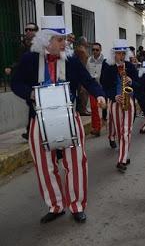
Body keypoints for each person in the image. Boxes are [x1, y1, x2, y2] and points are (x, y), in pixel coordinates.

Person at [11, 16, 106, 224]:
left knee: (77, 162)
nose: (65, 43)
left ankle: (77, 205)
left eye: (65, 39)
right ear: (47, 40)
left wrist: (98, 94)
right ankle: (55, 206)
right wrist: (31, 94)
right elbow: (15, 83)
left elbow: (87, 80)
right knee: (44, 165)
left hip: (69, 116)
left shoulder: (71, 59)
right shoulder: (29, 59)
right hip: (39, 118)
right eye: (60, 39)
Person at [100, 39, 139, 172]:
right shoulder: (108, 66)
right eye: (119, 53)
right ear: (114, 54)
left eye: (123, 53)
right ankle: (125, 154)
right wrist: (113, 96)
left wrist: (132, 81)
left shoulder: (130, 66)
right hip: (115, 102)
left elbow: (140, 85)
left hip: (129, 101)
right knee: (120, 132)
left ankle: (122, 159)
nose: (121, 56)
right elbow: (104, 85)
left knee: (126, 131)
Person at [6, 22, 39, 140]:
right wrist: (12, 67)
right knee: (31, 104)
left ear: (36, 31)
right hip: (26, 81)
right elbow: (19, 61)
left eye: (31, 29)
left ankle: (31, 130)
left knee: (32, 105)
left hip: (36, 80)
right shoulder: (23, 46)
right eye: (26, 30)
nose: (28, 32)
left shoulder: (39, 45)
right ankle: (31, 130)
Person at [86, 42, 105, 136]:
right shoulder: (89, 60)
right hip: (93, 86)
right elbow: (86, 72)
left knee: (104, 107)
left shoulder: (104, 61)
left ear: (100, 50)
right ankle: (96, 128)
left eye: (97, 50)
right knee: (94, 107)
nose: (95, 51)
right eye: (93, 49)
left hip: (102, 86)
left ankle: (108, 126)